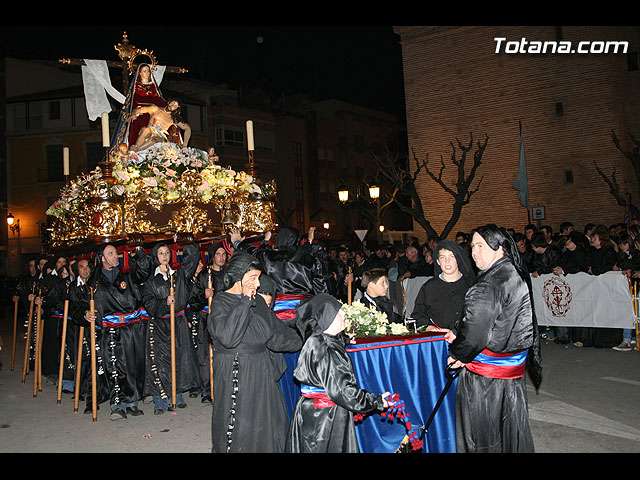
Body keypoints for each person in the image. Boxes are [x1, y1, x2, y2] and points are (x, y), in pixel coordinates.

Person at [447, 224, 541, 453]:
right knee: (509, 431)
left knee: (483, 436)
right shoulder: (514, 272)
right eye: (472, 247)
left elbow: (475, 336)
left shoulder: (488, 285)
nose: (474, 252)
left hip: (486, 381)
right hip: (512, 374)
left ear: (499, 247)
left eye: (480, 246)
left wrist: (457, 354)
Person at [208, 252, 302, 453]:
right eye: (252, 278)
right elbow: (229, 337)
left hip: (261, 371)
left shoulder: (259, 302)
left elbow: (275, 335)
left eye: (258, 278)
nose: (257, 284)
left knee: (265, 426)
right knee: (240, 427)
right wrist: (243, 301)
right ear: (238, 276)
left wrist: (305, 339)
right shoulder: (220, 302)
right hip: (236, 371)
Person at [285, 293, 390, 453]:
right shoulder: (327, 351)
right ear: (327, 318)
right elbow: (343, 391)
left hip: (315, 411)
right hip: (325, 417)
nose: (344, 316)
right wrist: (376, 401)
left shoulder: (317, 339)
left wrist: (344, 340)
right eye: (339, 313)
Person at [79, 243, 152, 420]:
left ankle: (132, 402)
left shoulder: (127, 275)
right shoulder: (93, 283)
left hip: (132, 328)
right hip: (110, 331)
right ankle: (117, 404)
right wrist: (85, 313)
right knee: (115, 367)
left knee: (134, 365)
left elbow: (143, 271)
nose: (115, 256)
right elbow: (80, 304)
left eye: (116, 253)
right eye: (110, 254)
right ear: (102, 259)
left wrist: (139, 251)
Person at [142, 241, 201, 415]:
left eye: (167, 252)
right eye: (160, 253)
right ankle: (160, 400)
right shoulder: (151, 280)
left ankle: (178, 395)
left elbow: (192, 260)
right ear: (156, 256)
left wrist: (187, 242)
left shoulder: (179, 275)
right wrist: (164, 302)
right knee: (160, 362)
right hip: (160, 325)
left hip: (179, 323)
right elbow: (148, 301)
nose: (164, 255)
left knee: (180, 358)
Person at [188, 240, 229, 403]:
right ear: (212, 256)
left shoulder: (228, 274)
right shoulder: (205, 275)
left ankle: (223, 386)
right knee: (206, 355)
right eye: (218, 254)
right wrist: (204, 296)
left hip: (225, 319)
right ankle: (207, 389)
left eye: (224, 254)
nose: (221, 257)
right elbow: (193, 302)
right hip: (207, 319)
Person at [410, 240, 475, 334]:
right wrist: (431, 328)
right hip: (439, 340)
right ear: (438, 261)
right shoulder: (429, 287)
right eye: (442, 257)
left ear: (458, 259)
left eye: (451, 256)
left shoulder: (471, 285)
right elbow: (418, 315)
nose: (447, 261)